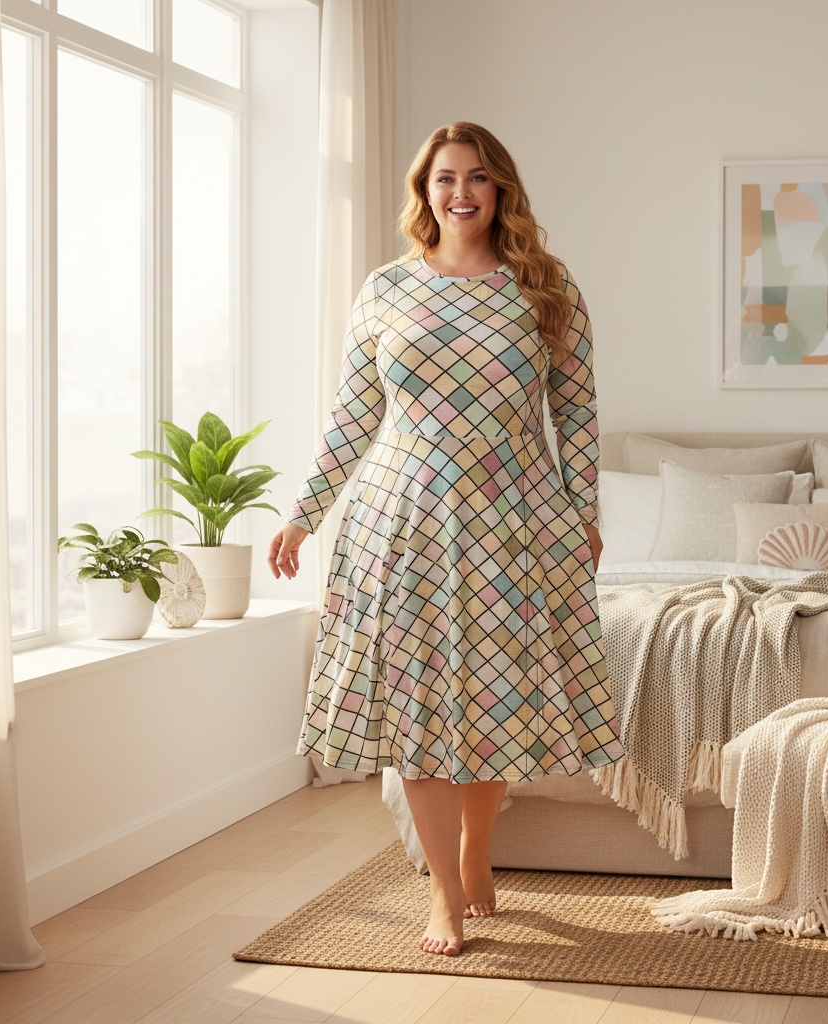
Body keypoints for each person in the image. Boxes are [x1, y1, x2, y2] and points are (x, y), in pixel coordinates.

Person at [268, 122, 625, 956]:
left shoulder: (545, 285)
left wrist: (583, 512)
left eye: (475, 177)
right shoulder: (385, 290)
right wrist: (303, 512)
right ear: (423, 192)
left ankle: (476, 852)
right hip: (401, 521)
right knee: (419, 709)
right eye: (443, 179)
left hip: (514, 521)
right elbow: (354, 416)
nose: (459, 192)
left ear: (501, 188)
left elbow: (576, 413)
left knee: (491, 698)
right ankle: (444, 896)